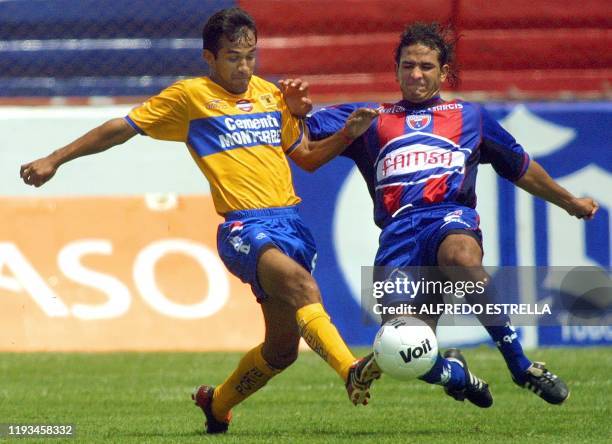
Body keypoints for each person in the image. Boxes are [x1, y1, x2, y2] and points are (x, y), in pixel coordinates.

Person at [19, 7, 381, 435]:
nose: (244, 66)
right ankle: (350, 370)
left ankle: (217, 404)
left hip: (290, 224)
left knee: (282, 350)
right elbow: (122, 127)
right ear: (209, 58)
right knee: (303, 287)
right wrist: (55, 158)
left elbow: (305, 158)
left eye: (250, 55)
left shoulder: (270, 95)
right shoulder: (190, 97)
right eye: (232, 57)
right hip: (244, 228)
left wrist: (345, 135)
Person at [283, 22, 598, 407]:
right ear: (396, 68)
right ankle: (455, 372)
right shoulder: (370, 118)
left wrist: (569, 202)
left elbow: (521, 166)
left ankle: (521, 366)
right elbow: (300, 137)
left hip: (449, 219)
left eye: (426, 66)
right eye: (408, 65)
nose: (416, 74)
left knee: (460, 257)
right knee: (401, 345)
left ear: (443, 71)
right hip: (398, 236)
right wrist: (296, 113)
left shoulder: (470, 117)